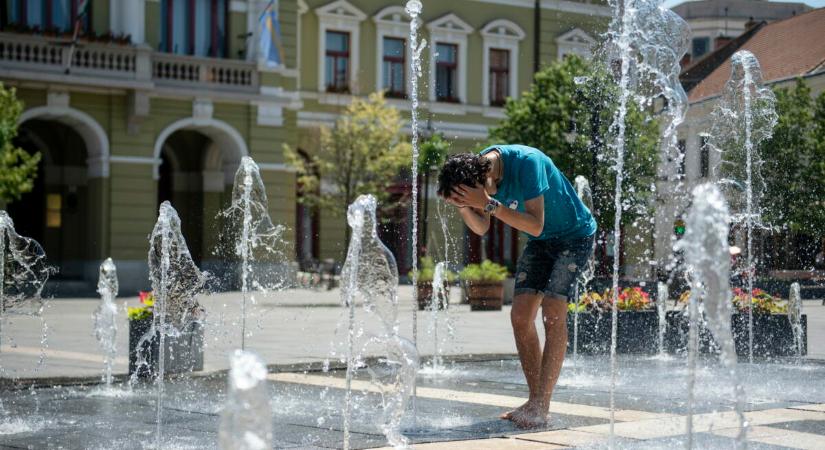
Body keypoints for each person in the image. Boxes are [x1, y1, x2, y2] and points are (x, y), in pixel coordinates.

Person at [437, 144, 596, 428]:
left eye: (472, 195)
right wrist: (464, 205)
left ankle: (540, 406)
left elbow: (535, 224)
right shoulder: (478, 174)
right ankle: (535, 401)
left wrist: (485, 201)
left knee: (552, 312)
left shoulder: (528, 163)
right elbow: (482, 227)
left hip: (575, 236)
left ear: (484, 177)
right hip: (541, 242)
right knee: (520, 316)